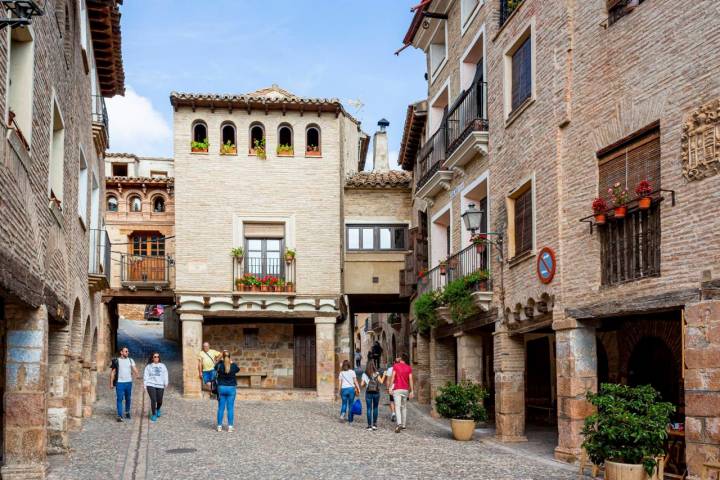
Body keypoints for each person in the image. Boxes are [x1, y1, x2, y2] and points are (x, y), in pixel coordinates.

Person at [110, 346, 138, 422]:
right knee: (119, 399)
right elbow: (112, 373)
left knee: (128, 398)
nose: (127, 352)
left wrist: (137, 374)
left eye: (127, 351)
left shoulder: (130, 360)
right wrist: (111, 383)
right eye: (126, 351)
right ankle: (119, 415)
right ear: (121, 352)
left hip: (128, 382)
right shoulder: (116, 361)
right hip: (119, 383)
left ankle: (127, 411)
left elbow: (134, 368)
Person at [215, 350, 239, 432]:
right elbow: (238, 369)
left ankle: (219, 426)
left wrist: (220, 358)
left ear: (223, 357)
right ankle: (230, 427)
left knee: (221, 408)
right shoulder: (233, 366)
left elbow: (215, 367)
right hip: (231, 388)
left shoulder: (219, 366)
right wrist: (231, 361)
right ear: (230, 357)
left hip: (221, 388)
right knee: (230, 408)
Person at [389, 352, 414, 433]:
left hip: (397, 389)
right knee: (404, 407)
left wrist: (390, 387)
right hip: (405, 389)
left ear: (401, 359)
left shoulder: (396, 366)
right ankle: (403, 425)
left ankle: (399, 424)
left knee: (397, 407)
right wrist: (412, 391)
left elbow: (393, 377)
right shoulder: (409, 368)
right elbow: (410, 379)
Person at [143, 352, 169, 422]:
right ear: (152, 358)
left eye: (158, 357)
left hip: (160, 384)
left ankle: (158, 409)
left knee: (159, 400)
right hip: (151, 384)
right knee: (153, 400)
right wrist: (145, 385)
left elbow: (165, 374)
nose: (156, 358)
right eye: (155, 357)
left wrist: (166, 382)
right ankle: (154, 414)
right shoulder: (148, 366)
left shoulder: (163, 366)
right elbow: (146, 376)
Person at [360, 362, 385, 430]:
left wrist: (366, 383)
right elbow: (381, 382)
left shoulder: (365, 374)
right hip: (376, 392)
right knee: (375, 408)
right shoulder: (377, 373)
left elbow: (362, 384)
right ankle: (374, 425)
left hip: (368, 392)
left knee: (369, 408)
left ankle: (369, 426)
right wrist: (384, 375)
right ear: (374, 366)